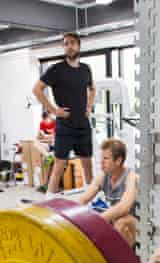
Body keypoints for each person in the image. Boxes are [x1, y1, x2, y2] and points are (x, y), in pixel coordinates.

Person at [32, 32, 96, 194]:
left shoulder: (85, 69)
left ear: (79, 46)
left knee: (87, 164)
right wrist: (53, 110)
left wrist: (89, 106)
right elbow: (37, 89)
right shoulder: (56, 69)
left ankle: (92, 199)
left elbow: (92, 89)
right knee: (59, 165)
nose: (69, 46)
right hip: (65, 126)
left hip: (83, 125)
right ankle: (50, 200)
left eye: (72, 43)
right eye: (66, 44)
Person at [77, 138, 138, 246]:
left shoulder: (132, 177)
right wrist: (70, 217)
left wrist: (97, 221)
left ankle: (124, 260)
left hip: (137, 224)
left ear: (118, 160)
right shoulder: (102, 176)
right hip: (115, 217)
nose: (101, 162)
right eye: (102, 158)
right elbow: (84, 199)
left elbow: (124, 208)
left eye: (106, 158)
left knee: (121, 223)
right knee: (90, 217)